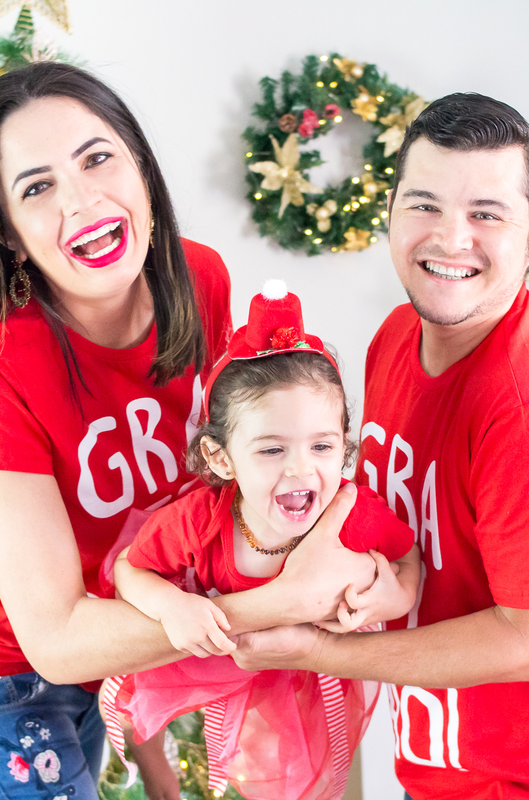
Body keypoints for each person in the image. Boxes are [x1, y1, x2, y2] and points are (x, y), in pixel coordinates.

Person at [0, 62, 376, 800]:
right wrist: (282, 601)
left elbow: (202, 498)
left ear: (141, 169)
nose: (82, 199)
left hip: (104, 651)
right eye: (37, 187)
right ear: (8, 236)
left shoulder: (199, 280)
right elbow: (54, 640)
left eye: (97, 158)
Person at [231, 94, 529, 799]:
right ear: (391, 211)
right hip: (447, 767)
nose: (450, 238)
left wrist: (327, 650)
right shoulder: (395, 341)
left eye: (487, 215)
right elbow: (406, 526)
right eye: (424, 204)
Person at [100, 281, 421, 800]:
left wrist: (394, 595)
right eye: (272, 450)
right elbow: (129, 570)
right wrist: (169, 605)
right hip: (210, 670)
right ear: (223, 459)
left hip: (311, 678)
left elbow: (409, 559)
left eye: (321, 446)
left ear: (343, 447)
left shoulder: (349, 514)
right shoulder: (200, 521)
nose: (301, 469)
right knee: (195, 762)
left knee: (309, 779)